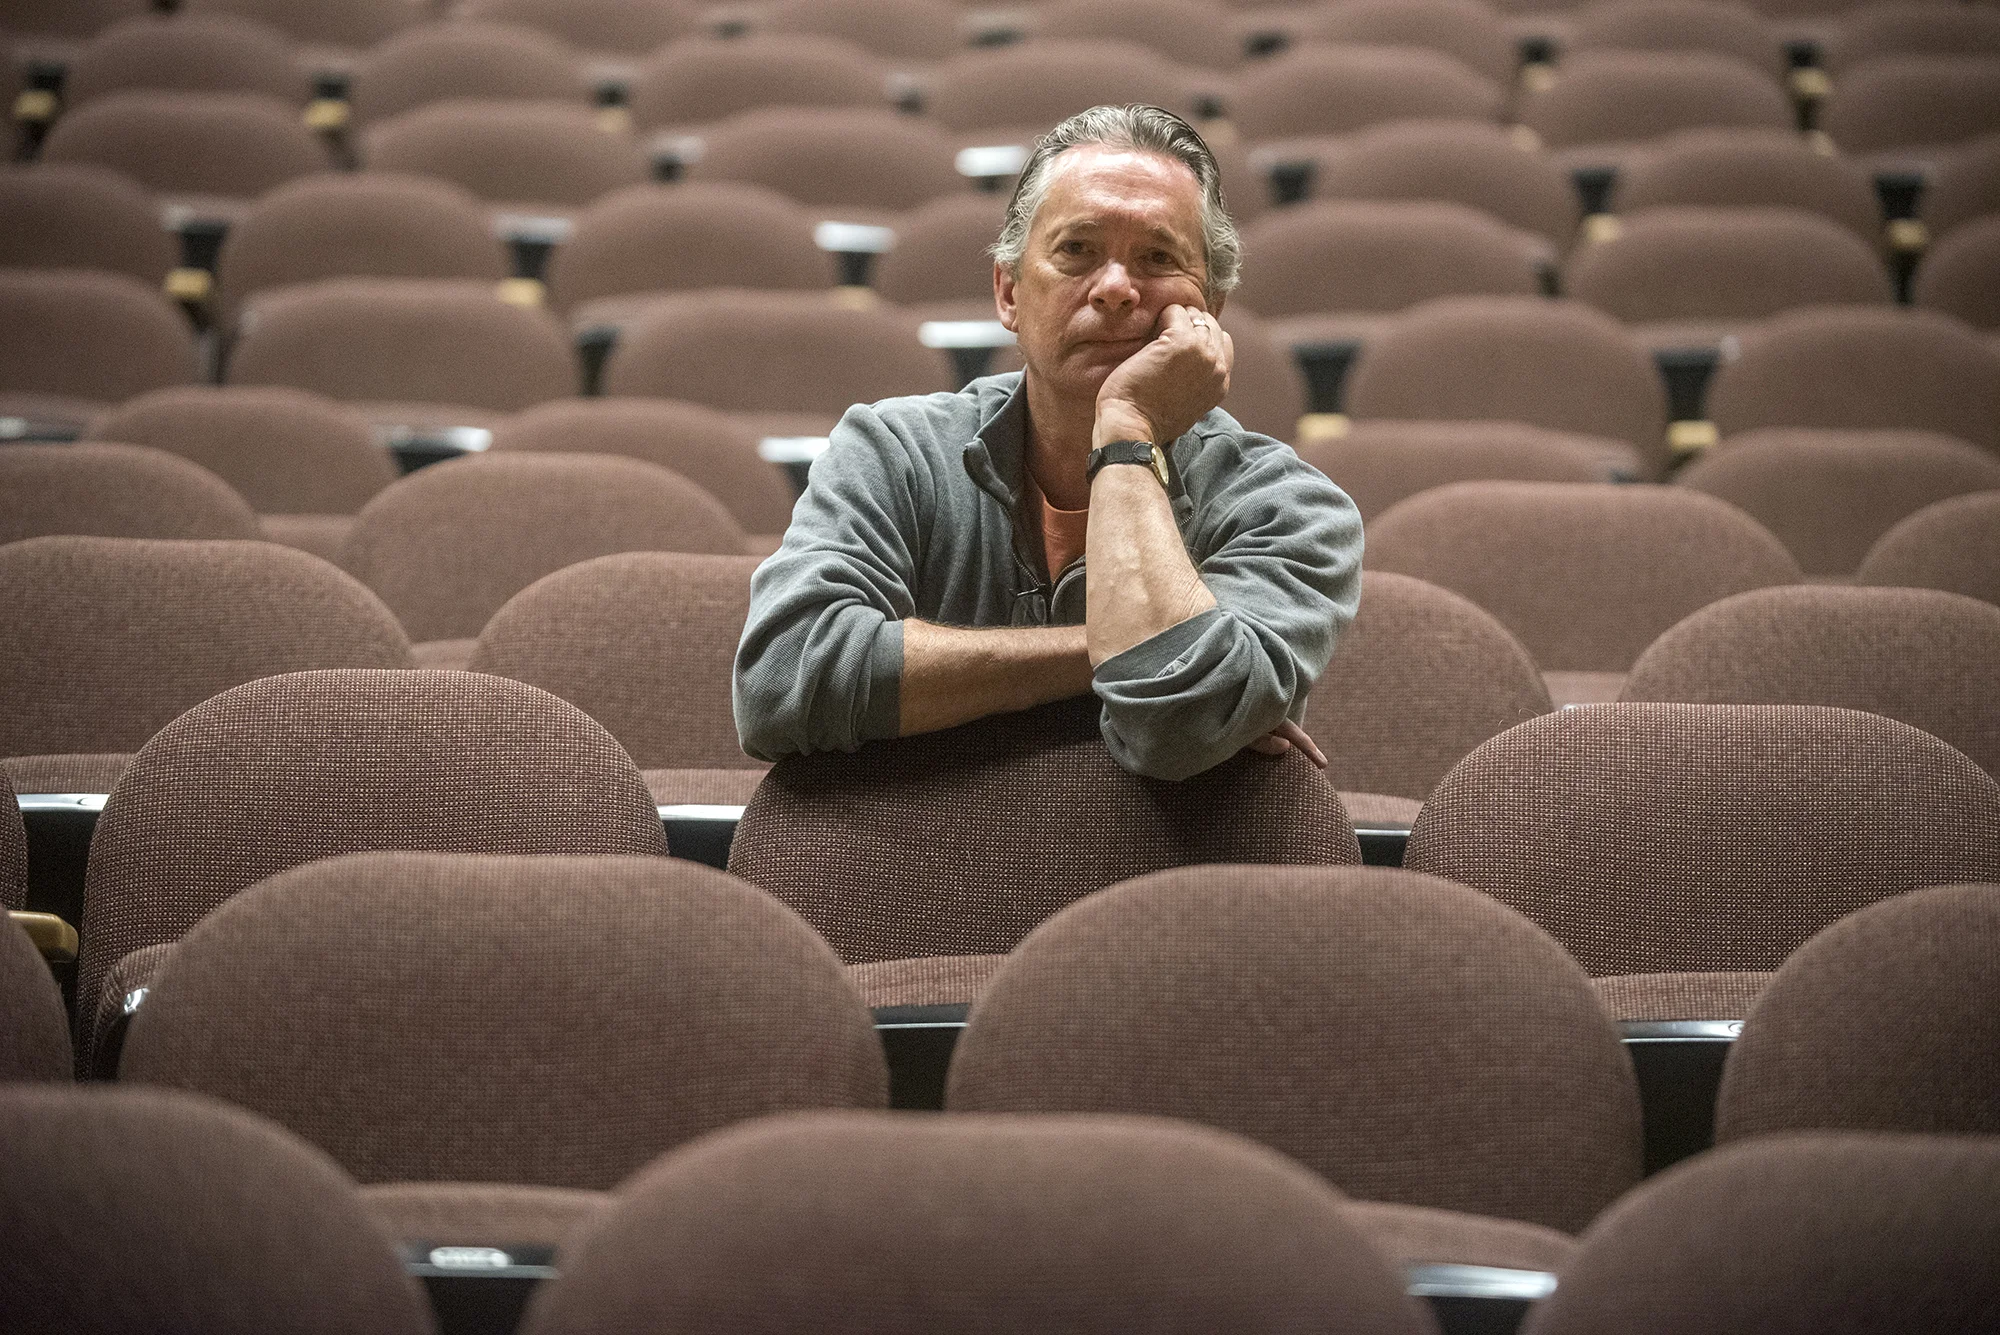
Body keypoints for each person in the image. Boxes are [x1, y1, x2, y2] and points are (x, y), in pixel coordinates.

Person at [733, 104, 1362, 780]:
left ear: (1211, 306)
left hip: (1170, 878)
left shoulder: (1292, 509)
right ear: (1008, 292)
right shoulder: (893, 450)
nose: (1117, 288)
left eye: (1157, 257)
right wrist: (1111, 650)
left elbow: (1176, 723)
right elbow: (782, 680)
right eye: (1076, 251)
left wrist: (1126, 427)